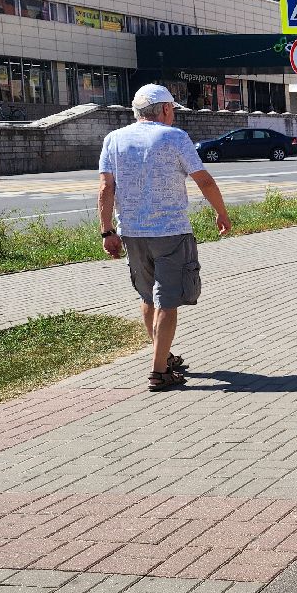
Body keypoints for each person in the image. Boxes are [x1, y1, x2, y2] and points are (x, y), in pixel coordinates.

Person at [97, 84, 232, 392]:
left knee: (149, 297)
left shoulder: (114, 139)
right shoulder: (175, 137)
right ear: (166, 109)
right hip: (170, 232)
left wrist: (107, 231)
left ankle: (165, 356)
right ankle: (159, 373)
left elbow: (106, 188)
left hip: (131, 233)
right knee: (167, 301)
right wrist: (222, 213)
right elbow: (204, 180)